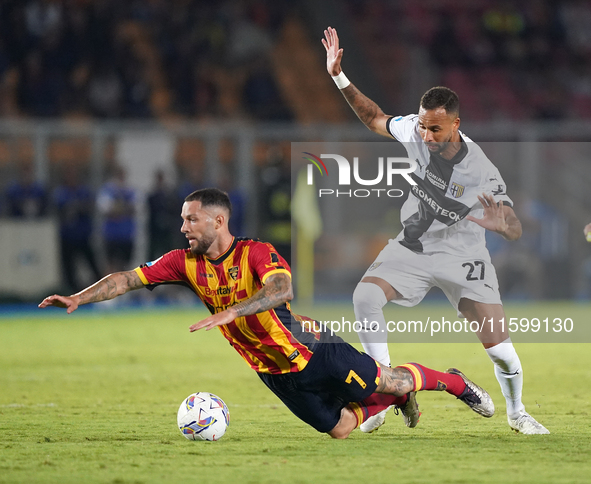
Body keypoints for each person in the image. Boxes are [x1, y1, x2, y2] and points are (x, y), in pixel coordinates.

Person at [39, 188, 494, 439]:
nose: (182, 228)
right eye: (182, 220)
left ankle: (454, 382)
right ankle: (388, 398)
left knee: (391, 378)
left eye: (189, 220)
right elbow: (127, 278)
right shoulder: (183, 262)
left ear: (217, 222)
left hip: (313, 349)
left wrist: (232, 311)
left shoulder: (256, 252)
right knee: (338, 430)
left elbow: (282, 288)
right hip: (271, 371)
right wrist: (80, 296)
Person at [322, 27, 548, 435]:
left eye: (435, 130)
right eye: (423, 127)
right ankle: (382, 395)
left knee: (502, 353)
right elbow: (374, 117)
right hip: (414, 246)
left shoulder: (481, 169)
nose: (425, 136)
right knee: (365, 296)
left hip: (464, 255)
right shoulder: (414, 129)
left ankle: (517, 412)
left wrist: (504, 225)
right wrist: (339, 76)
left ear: (456, 124)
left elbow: (513, 226)